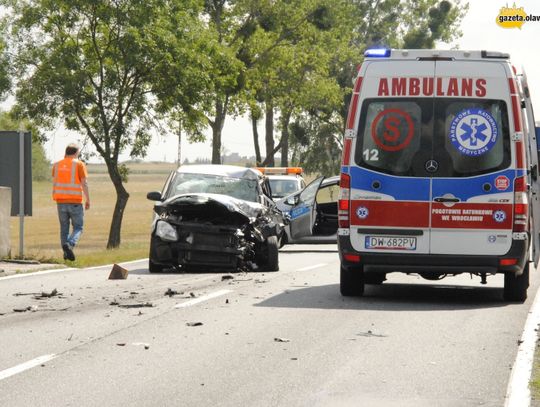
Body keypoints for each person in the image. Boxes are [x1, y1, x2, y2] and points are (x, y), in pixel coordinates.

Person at [52, 143, 90, 261]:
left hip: (60, 201)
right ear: (76, 153)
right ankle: (70, 244)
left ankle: (66, 254)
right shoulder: (79, 164)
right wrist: (88, 199)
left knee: (64, 228)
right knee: (78, 227)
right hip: (75, 201)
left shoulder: (56, 165)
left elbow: (56, 180)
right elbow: (84, 183)